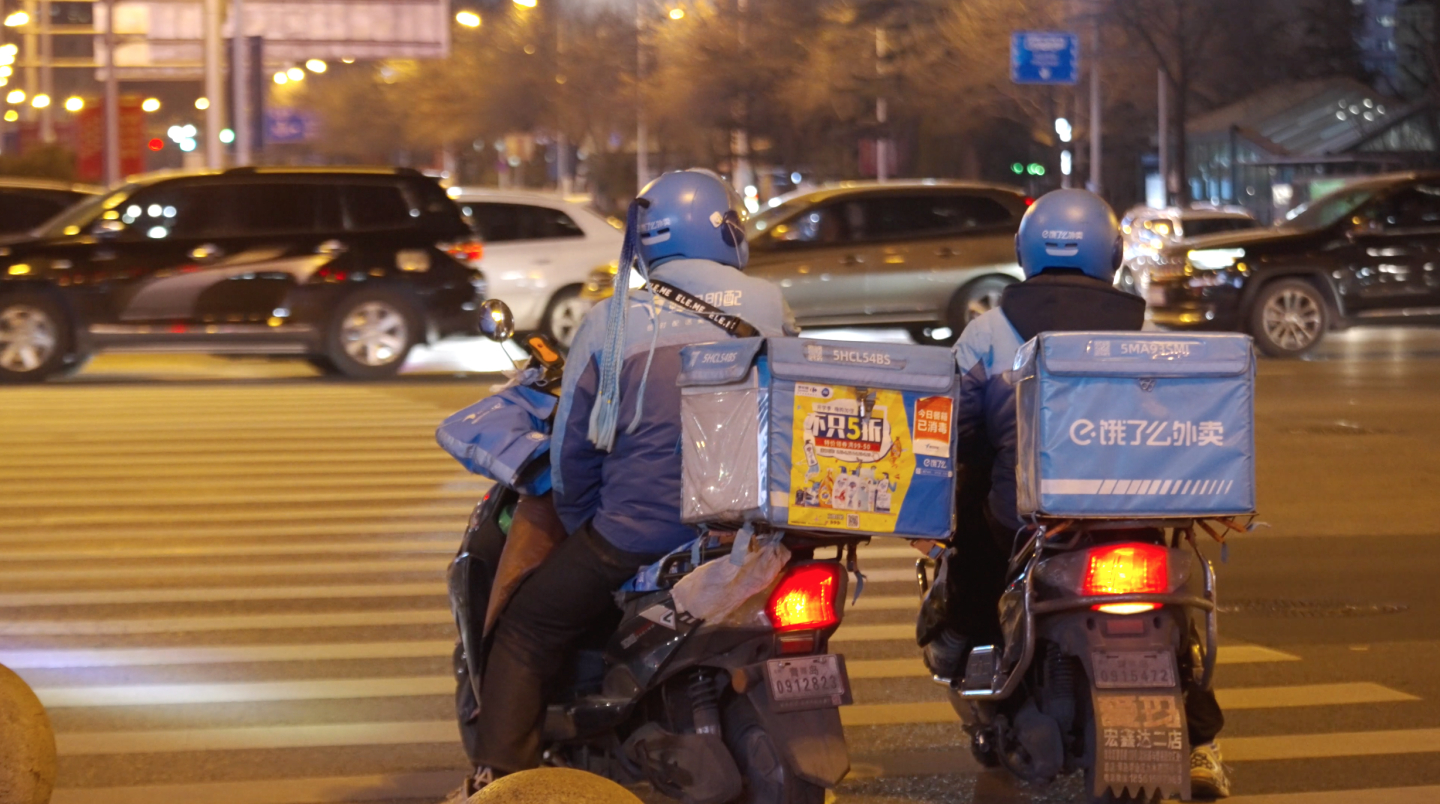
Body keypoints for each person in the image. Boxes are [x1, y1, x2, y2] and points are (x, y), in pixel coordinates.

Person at [446, 169, 794, 800]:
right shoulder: (770, 305)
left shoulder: (613, 322)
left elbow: (573, 449)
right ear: (725, 233)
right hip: (752, 523)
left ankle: (499, 781)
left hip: (640, 531)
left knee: (527, 628)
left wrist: (584, 523)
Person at [921, 189, 1231, 798]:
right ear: (1111, 253)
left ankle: (969, 642)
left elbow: (950, 435)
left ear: (1025, 251)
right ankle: (1203, 743)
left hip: (1025, 527)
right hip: (1131, 523)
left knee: (975, 515)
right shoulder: (1147, 331)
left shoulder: (986, 334)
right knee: (1179, 628)